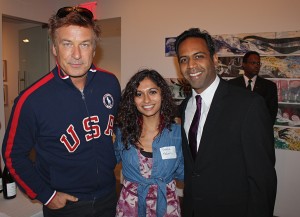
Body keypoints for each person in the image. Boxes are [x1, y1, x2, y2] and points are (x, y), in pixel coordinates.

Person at [2, 6, 121, 217]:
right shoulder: (31, 100)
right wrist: (45, 195)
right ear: (55, 48)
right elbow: (13, 155)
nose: (76, 54)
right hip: (66, 206)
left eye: (84, 44)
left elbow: (119, 128)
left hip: (109, 197)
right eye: (67, 44)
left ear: (94, 49)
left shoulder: (109, 83)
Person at [175, 28, 277, 217]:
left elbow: (262, 179)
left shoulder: (249, 105)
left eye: (198, 56)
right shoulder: (183, 108)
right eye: (184, 59)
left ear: (214, 59)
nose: (191, 65)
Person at [114, 69, 184, 217]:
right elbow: (107, 162)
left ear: (162, 94)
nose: (146, 100)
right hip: (130, 206)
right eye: (139, 94)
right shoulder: (123, 132)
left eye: (152, 92)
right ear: (132, 99)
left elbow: (184, 173)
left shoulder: (178, 134)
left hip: (166, 206)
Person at [228, 51, 278, 124]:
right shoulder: (232, 85)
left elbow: (272, 113)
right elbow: (229, 110)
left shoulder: (269, 86)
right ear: (244, 64)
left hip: (259, 130)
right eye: (253, 63)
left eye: (258, 63)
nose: (257, 66)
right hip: (237, 130)